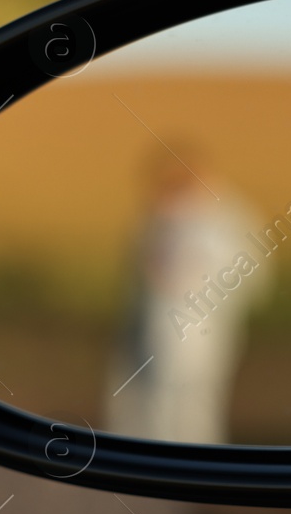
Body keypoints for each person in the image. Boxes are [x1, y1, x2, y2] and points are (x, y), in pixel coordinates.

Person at [106, 147, 265, 445]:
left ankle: (185, 466)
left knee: (190, 407)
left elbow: (251, 278)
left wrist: (194, 289)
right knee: (147, 403)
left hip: (198, 335)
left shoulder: (222, 221)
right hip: (156, 333)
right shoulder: (160, 222)